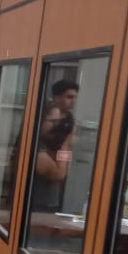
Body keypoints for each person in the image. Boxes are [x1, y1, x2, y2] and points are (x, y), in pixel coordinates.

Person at [32, 80, 78, 212]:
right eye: (69, 97)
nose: (73, 101)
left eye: (75, 97)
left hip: (53, 193)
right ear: (57, 98)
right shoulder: (46, 112)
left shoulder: (69, 118)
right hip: (36, 192)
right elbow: (40, 133)